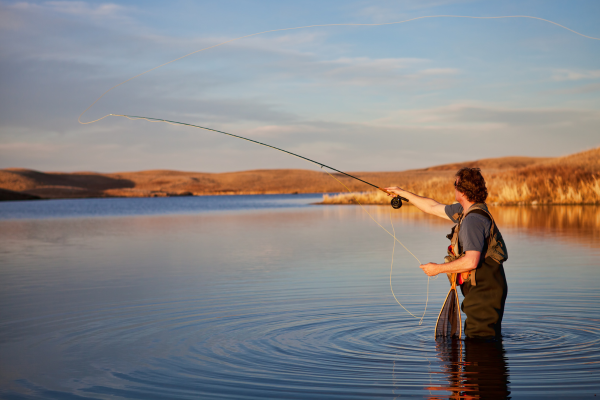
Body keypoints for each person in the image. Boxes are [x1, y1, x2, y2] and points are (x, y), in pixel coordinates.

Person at [385, 167, 508, 338]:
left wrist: (437, 269)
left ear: (463, 191)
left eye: (455, 184)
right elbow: (432, 207)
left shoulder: (473, 220)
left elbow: (471, 261)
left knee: (480, 341)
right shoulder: (465, 211)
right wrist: (403, 193)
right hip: (483, 289)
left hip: (485, 291)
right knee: (482, 341)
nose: (454, 188)